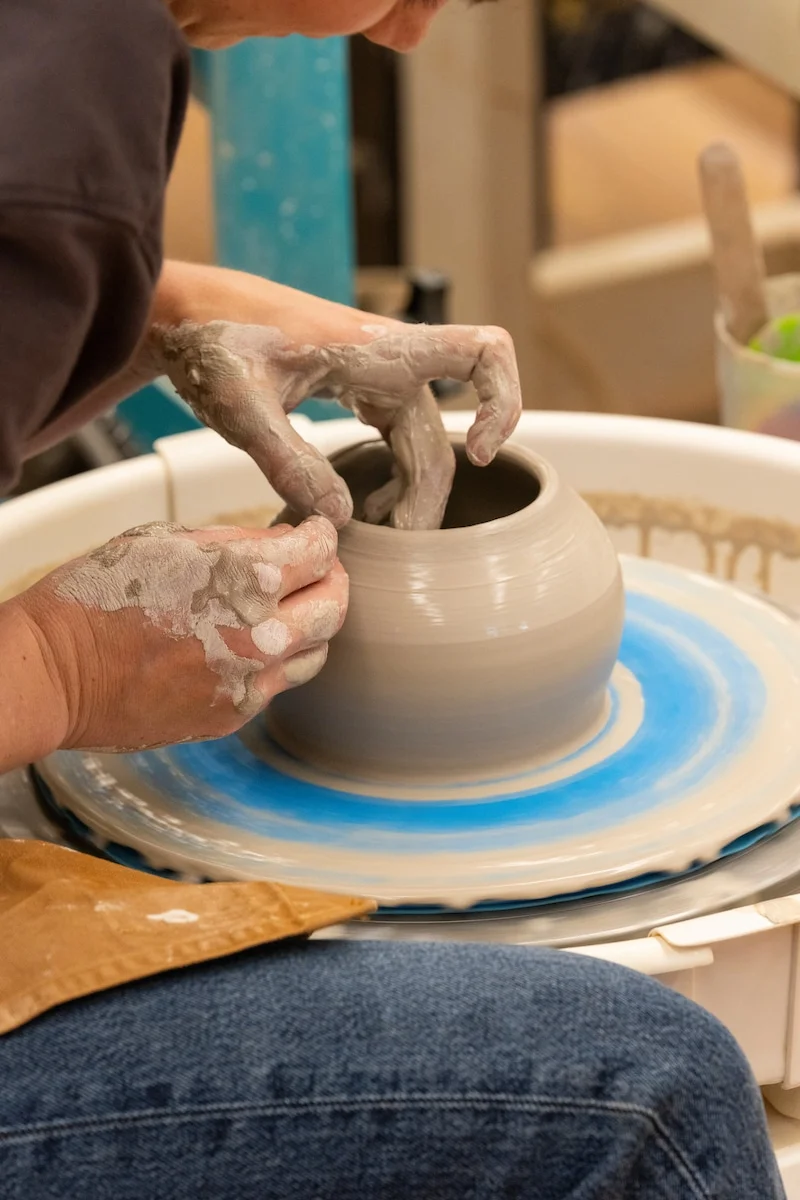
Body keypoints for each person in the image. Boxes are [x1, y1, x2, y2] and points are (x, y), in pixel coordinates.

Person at [0, 2, 786, 1196]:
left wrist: (165, 313)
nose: (409, 33)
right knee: (647, 1096)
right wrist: (59, 665)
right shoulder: (62, 107)